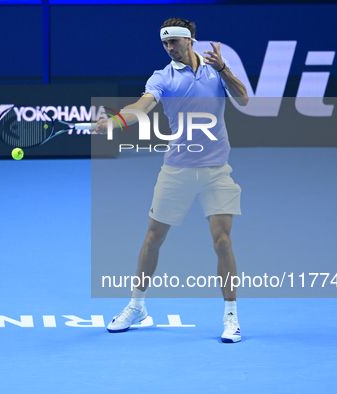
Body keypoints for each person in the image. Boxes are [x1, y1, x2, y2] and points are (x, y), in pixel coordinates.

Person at [92, 17, 249, 343]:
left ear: (189, 39)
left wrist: (223, 70)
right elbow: (141, 107)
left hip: (216, 168)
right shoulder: (162, 77)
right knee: (153, 238)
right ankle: (137, 306)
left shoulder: (214, 70)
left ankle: (231, 316)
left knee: (223, 242)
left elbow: (244, 98)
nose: (169, 48)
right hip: (177, 169)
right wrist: (116, 121)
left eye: (173, 42)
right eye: (164, 44)